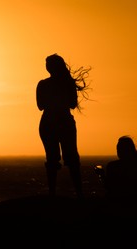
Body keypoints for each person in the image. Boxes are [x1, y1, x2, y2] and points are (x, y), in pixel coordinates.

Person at [36, 54, 90, 198]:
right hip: (64, 122)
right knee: (72, 158)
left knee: (52, 158)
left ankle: (53, 193)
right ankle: (79, 193)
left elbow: (40, 106)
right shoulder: (68, 83)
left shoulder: (43, 84)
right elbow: (72, 103)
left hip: (48, 123)